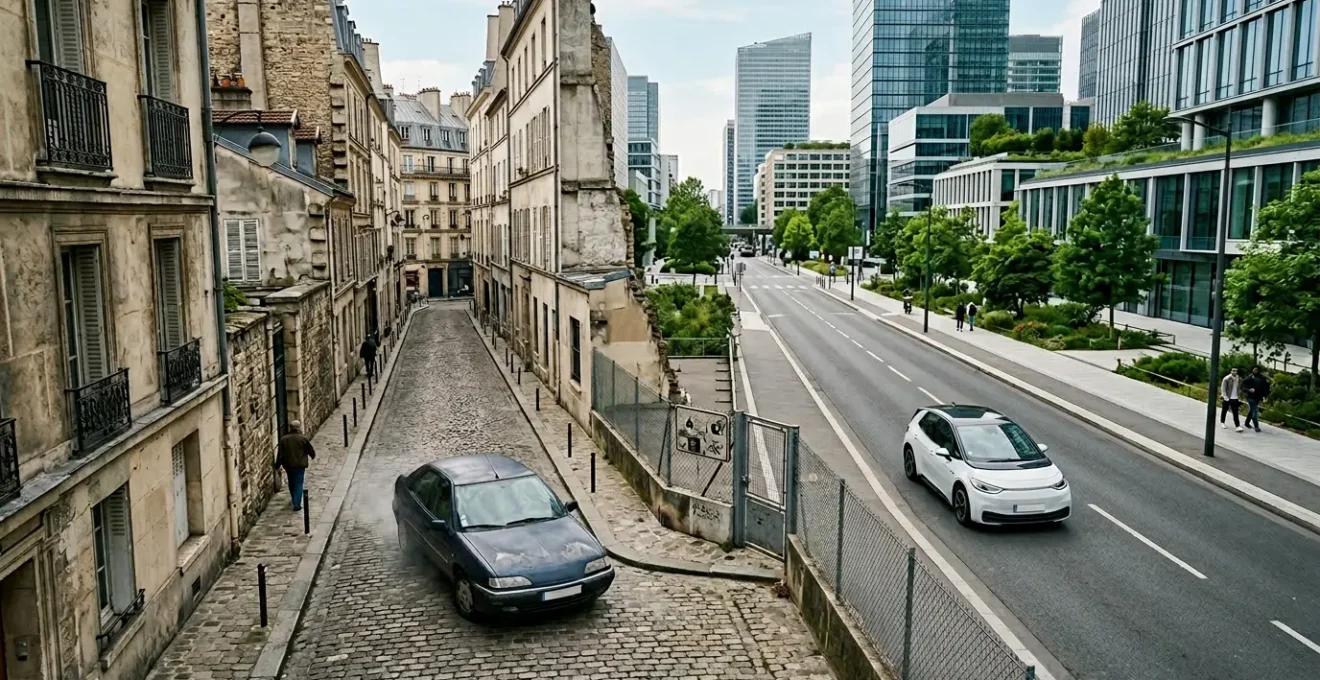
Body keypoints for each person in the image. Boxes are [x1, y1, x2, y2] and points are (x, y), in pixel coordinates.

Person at [275, 420, 316, 510]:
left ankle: (294, 498)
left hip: (288, 465)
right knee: (298, 483)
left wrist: (277, 465)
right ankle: (296, 503)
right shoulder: (302, 438)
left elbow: (280, 454)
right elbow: (310, 450)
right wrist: (312, 455)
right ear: (298, 428)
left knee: (291, 482)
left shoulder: (283, 439)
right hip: (300, 465)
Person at [1242, 366, 1271, 432]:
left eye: (1256, 370)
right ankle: (1256, 426)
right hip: (1250, 397)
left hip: (1258, 397)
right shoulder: (1250, 377)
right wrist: (1249, 390)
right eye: (1254, 370)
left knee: (1252, 410)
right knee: (1254, 411)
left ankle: (1247, 423)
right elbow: (1243, 386)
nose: (1255, 371)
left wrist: (1265, 396)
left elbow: (1266, 388)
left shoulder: (1262, 378)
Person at [1220, 368, 1243, 432]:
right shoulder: (1226, 379)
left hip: (1235, 397)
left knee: (1235, 412)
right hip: (1228, 397)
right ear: (1231, 371)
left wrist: (1239, 397)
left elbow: (1239, 388)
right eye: (1233, 371)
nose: (1234, 372)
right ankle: (1222, 422)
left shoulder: (1238, 378)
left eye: (1235, 371)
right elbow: (1223, 389)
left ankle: (1237, 426)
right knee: (1224, 410)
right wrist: (1225, 397)